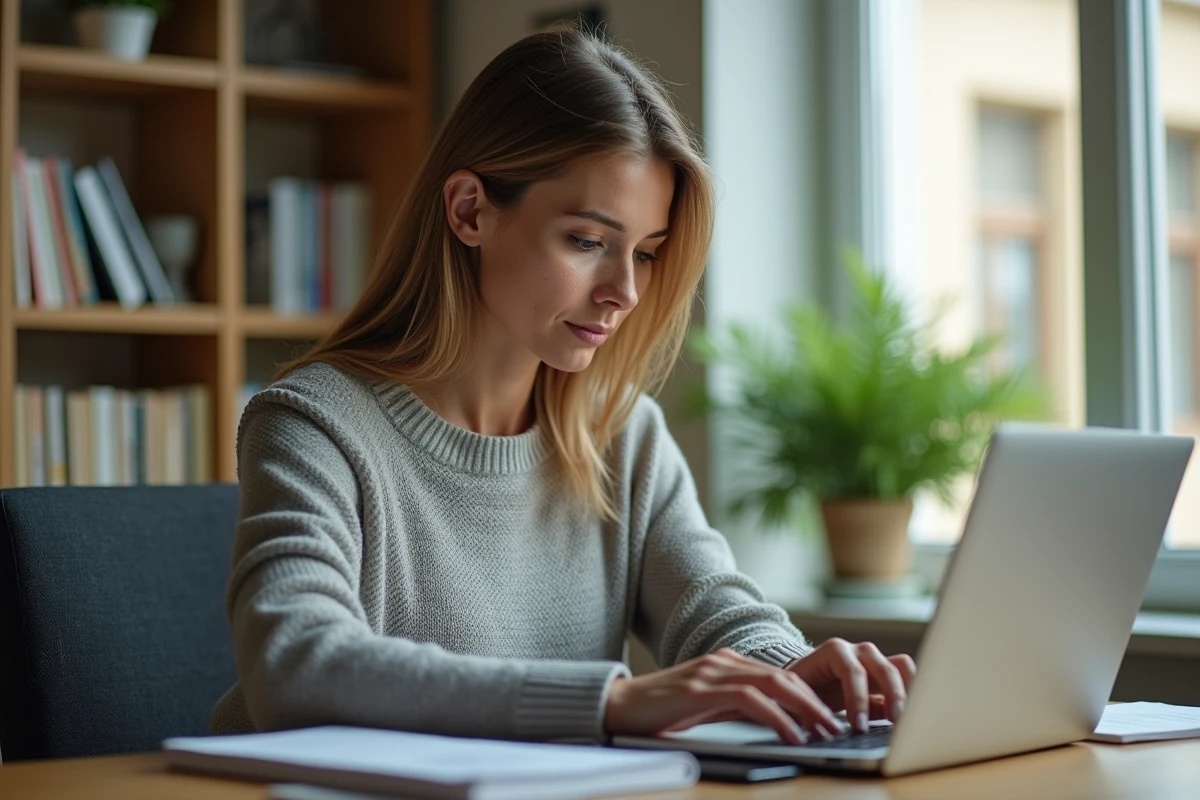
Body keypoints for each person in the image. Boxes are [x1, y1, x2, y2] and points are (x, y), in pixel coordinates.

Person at [211, 27, 914, 747]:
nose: (626, 292)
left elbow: (715, 611)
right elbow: (294, 667)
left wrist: (796, 673)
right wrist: (608, 702)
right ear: (469, 212)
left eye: (645, 253)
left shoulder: (620, 431)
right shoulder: (313, 424)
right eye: (587, 242)